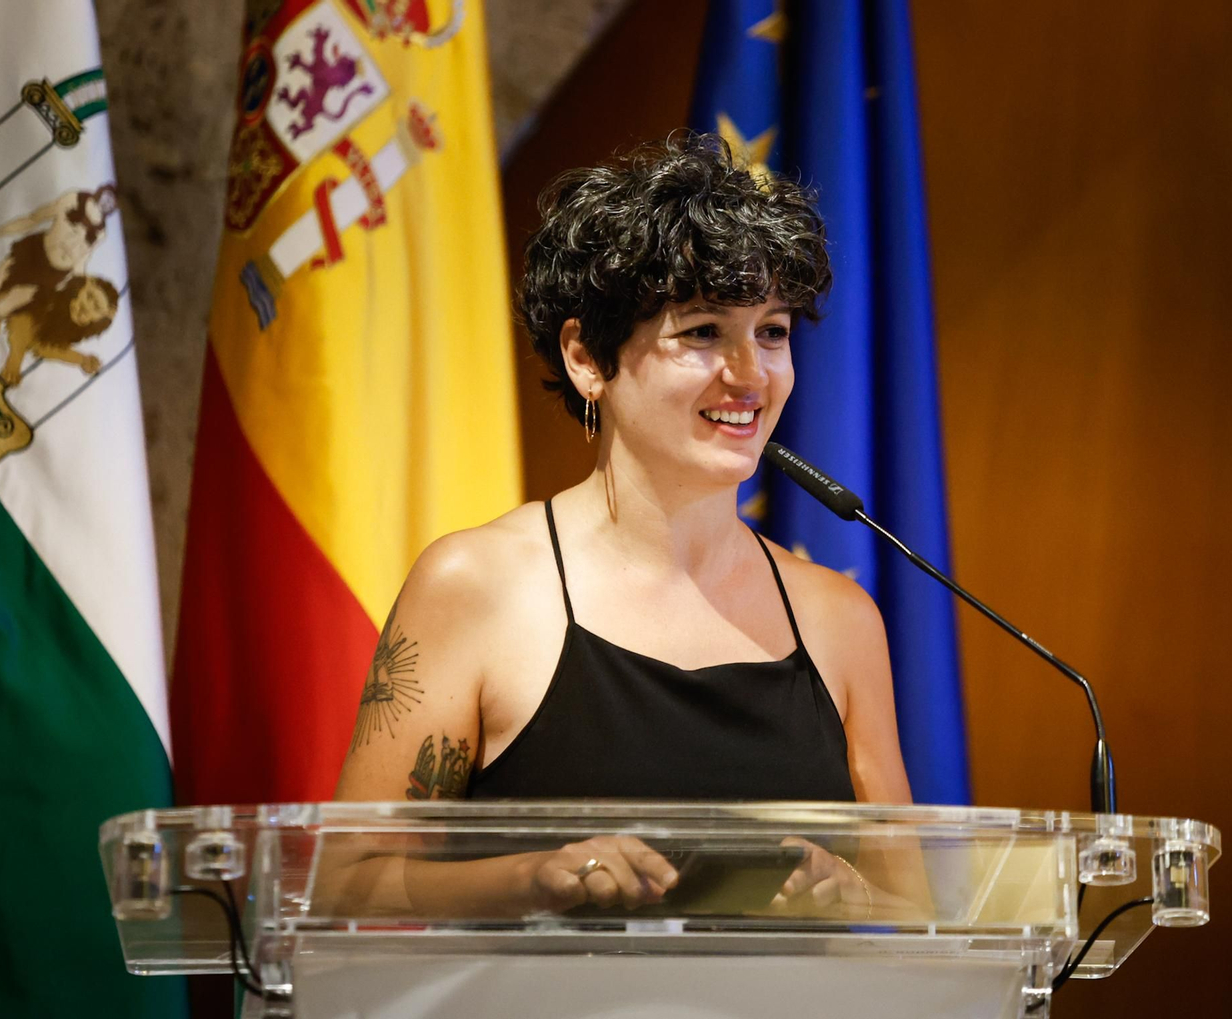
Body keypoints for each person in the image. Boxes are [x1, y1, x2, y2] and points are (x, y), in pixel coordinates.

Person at [330, 134, 921, 919]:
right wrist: (535, 878)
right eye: (704, 331)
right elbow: (347, 882)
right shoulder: (474, 588)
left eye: (773, 331)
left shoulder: (840, 620)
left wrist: (854, 898)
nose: (751, 374)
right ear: (586, 357)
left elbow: (919, 914)